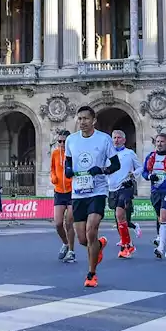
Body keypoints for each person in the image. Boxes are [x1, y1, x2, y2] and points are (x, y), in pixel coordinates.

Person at [63, 105, 119, 287]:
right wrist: (69, 171)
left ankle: (91, 274)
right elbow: (68, 163)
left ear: (93, 120)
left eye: (86, 119)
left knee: (91, 230)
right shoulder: (71, 140)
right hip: (78, 193)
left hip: (98, 191)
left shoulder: (104, 139)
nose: (82, 122)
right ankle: (99, 246)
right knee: (82, 239)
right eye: (79, 119)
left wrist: (101, 169)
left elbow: (115, 164)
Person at [106, 130, 142, 258]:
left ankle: (125, 247)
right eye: (114, 138)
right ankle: (128, 243)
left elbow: (140, 167)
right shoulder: (108, 154)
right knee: (119, 218)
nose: (116, 140)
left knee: (120, 214)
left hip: (125, 186)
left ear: (124, 140)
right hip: (112, 188)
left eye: (119, 138)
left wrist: (133, 174)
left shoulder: (129, 153)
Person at [50, 131, 76, 263]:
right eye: (59, 141)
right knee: (58, 223)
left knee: (69, 223)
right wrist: (53, 177)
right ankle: (65, 243)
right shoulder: (55, 153)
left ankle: (71, 251)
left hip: (72, 191)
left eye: (64, 141)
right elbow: (53, 168)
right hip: (59, 191)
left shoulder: (74, 152)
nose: (61, 144)